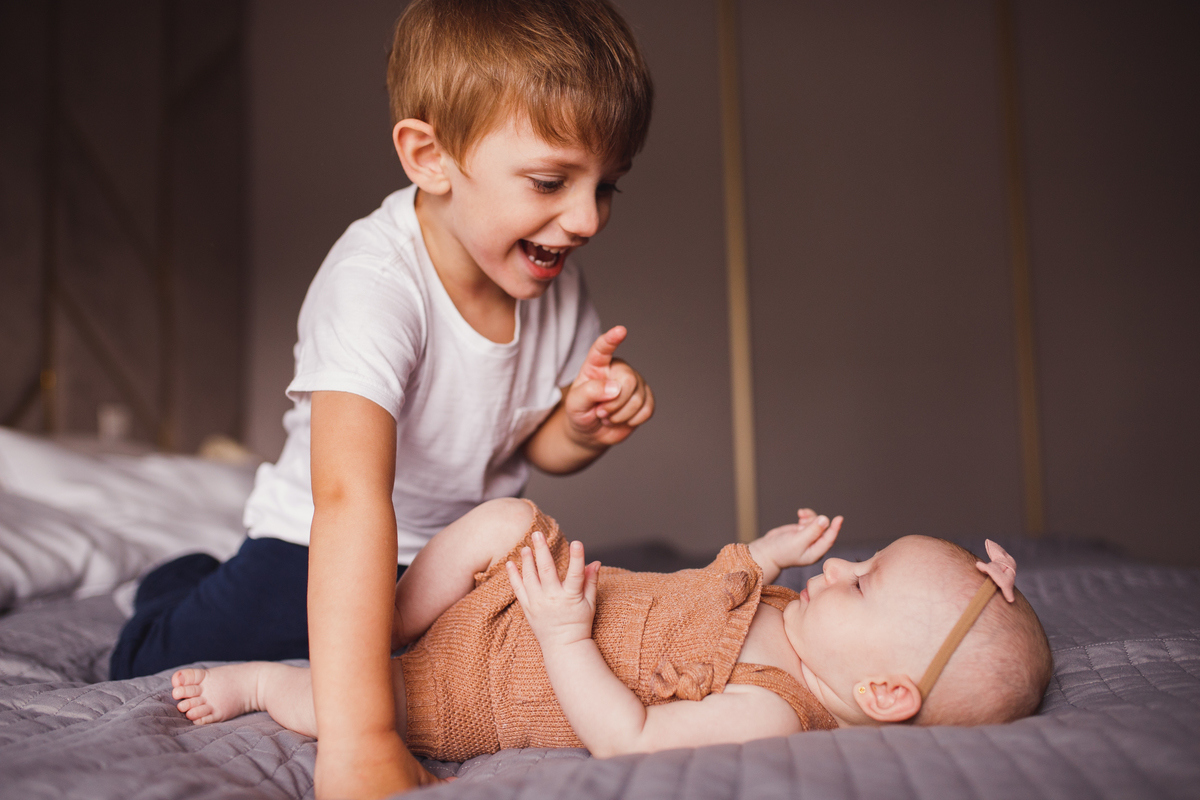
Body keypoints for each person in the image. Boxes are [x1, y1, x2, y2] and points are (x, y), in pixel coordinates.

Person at [112, 0, 656, 795]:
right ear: (430, 157)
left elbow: (531, 442)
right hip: (320, 546)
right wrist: (361, 739)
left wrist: (578, 426)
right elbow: (349, 500)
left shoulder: (551, 281)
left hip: (459, 561)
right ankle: (175, 584)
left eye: (606, 187)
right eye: (551, 181)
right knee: (156, 657)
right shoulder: (374, 283)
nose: (585, 219)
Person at [171, 499, 1054, 769]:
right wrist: (759, 556)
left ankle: (264, 682)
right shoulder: (798, 620)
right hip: (530, 598)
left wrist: (564, 637)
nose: (838, 569)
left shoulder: (775, 711)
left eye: (860, 585)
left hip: (488, 686)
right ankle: (386, 618)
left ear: (884, 694)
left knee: (371, 703)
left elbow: (625, 737)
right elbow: (707, 597)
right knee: (508, 517)